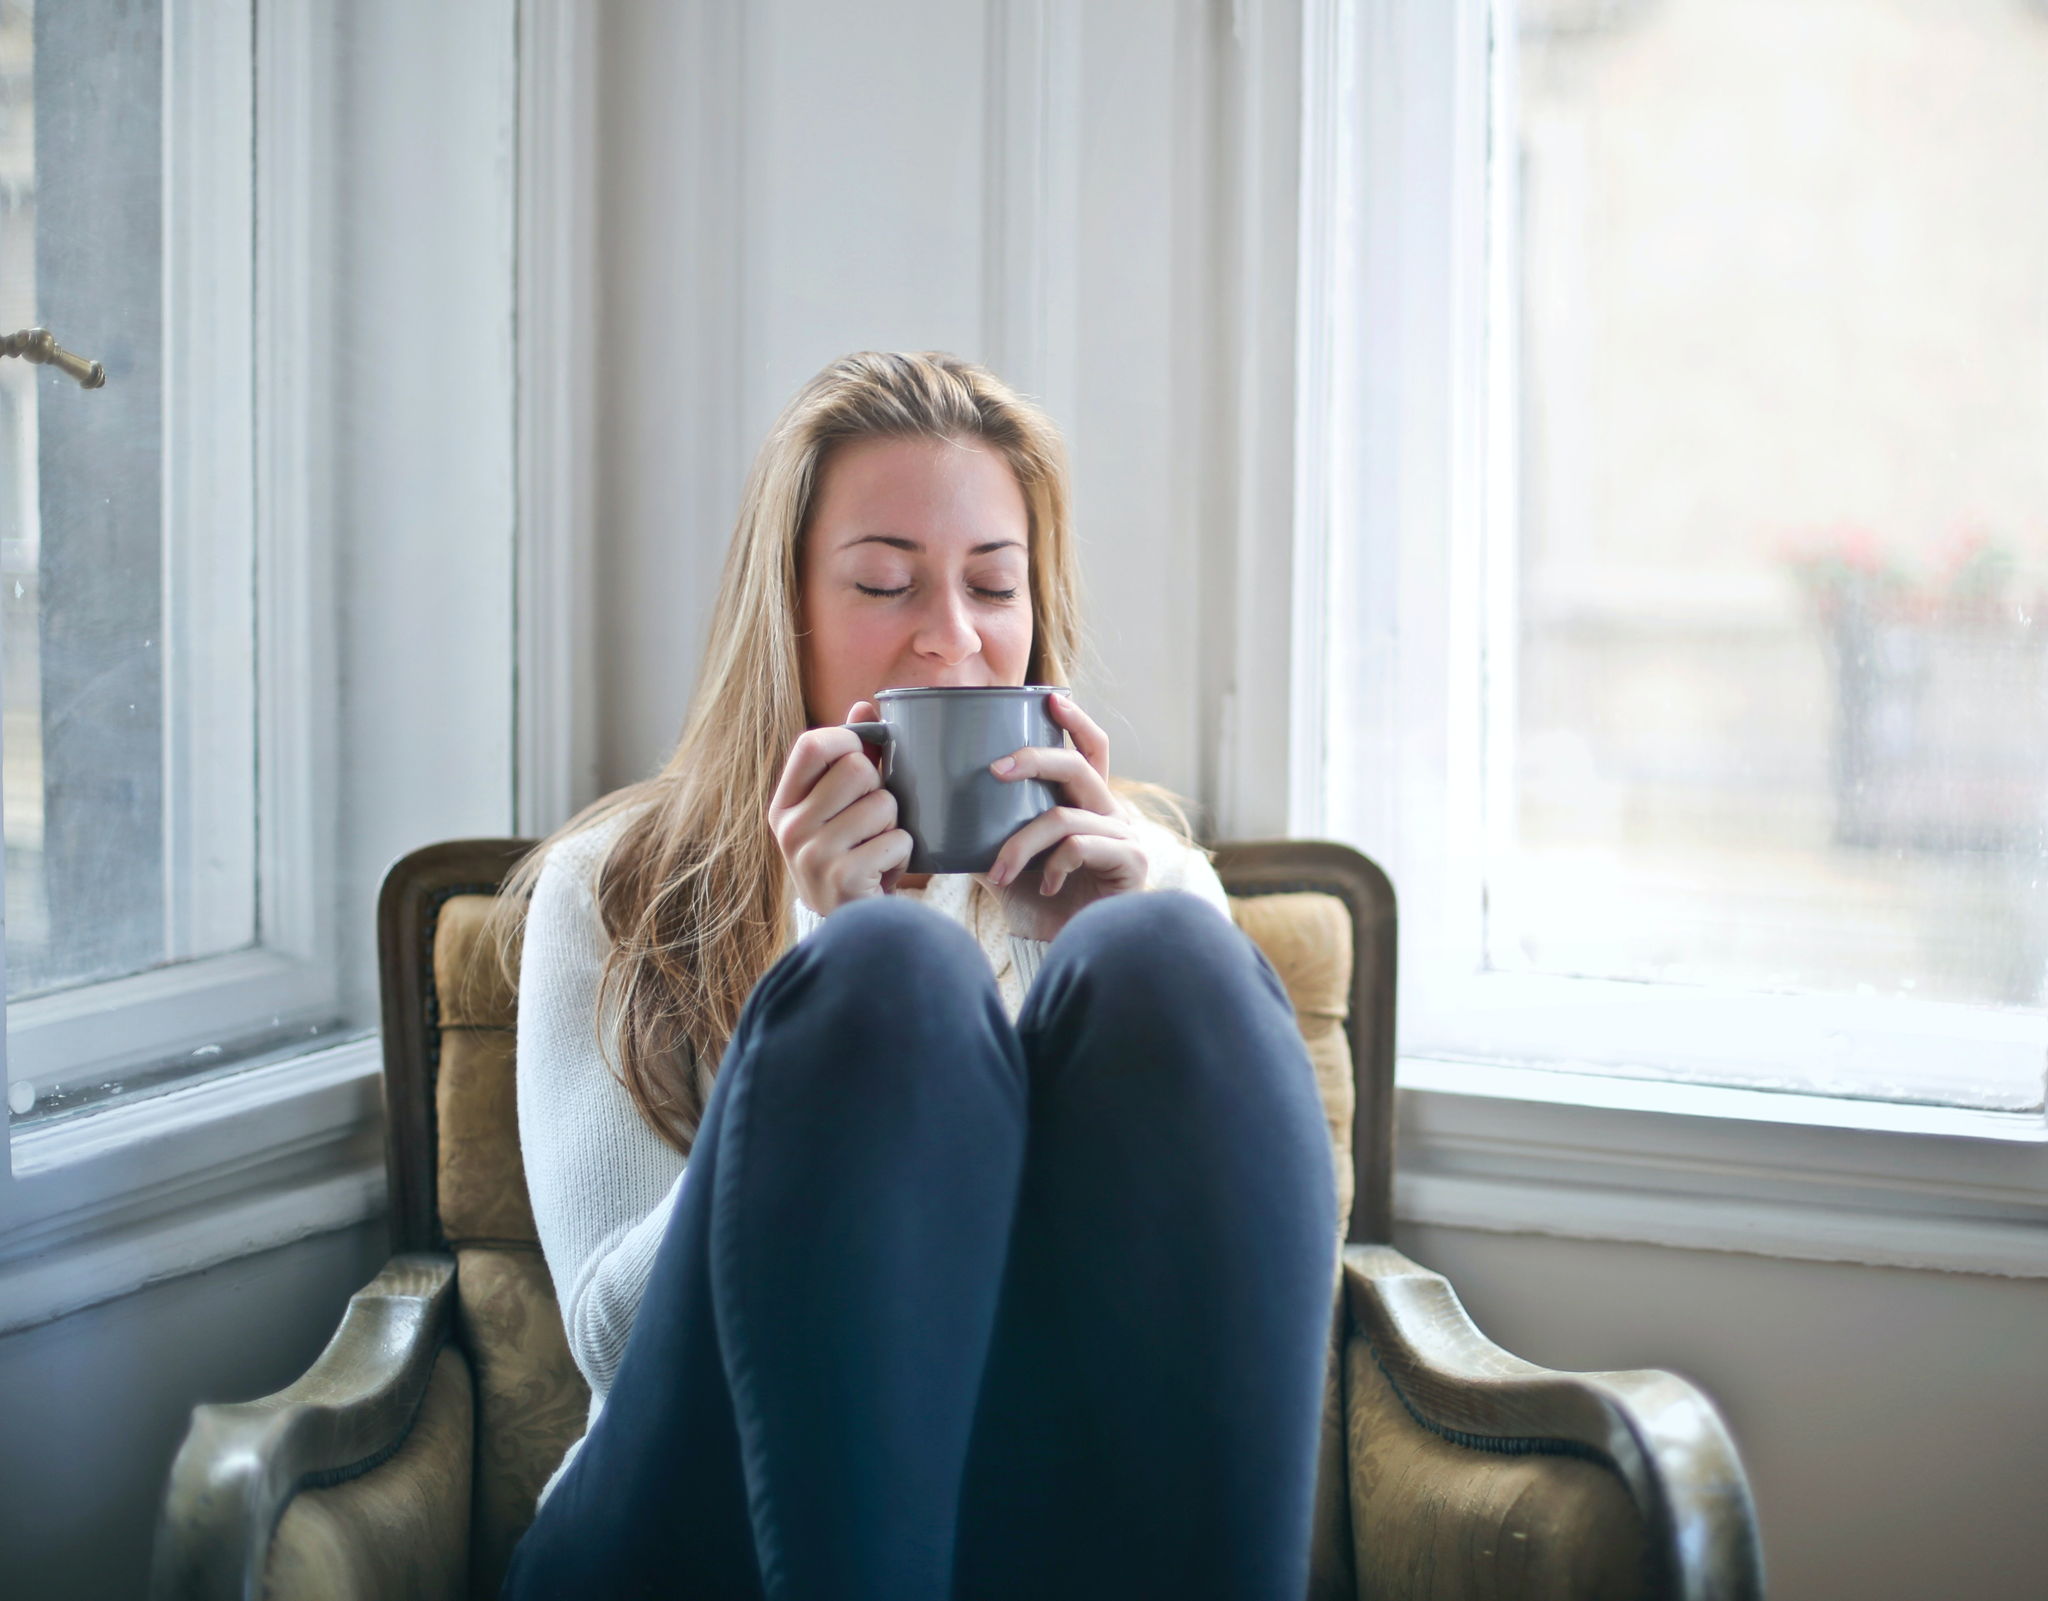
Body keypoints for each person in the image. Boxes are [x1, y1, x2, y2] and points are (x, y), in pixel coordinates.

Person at [492, 351, 1337, 1600]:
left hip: (1027, 1517)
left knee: (1161, 952)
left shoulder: (1146, 878)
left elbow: (1245, 1325)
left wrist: (1072, 961)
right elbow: (613, 1341)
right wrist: (818, 961)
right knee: (888, 972)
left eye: (994, 585)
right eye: (885, 583)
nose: (952, 641)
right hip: (687, 1516)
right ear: (785, 609)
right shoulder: (612, 885)